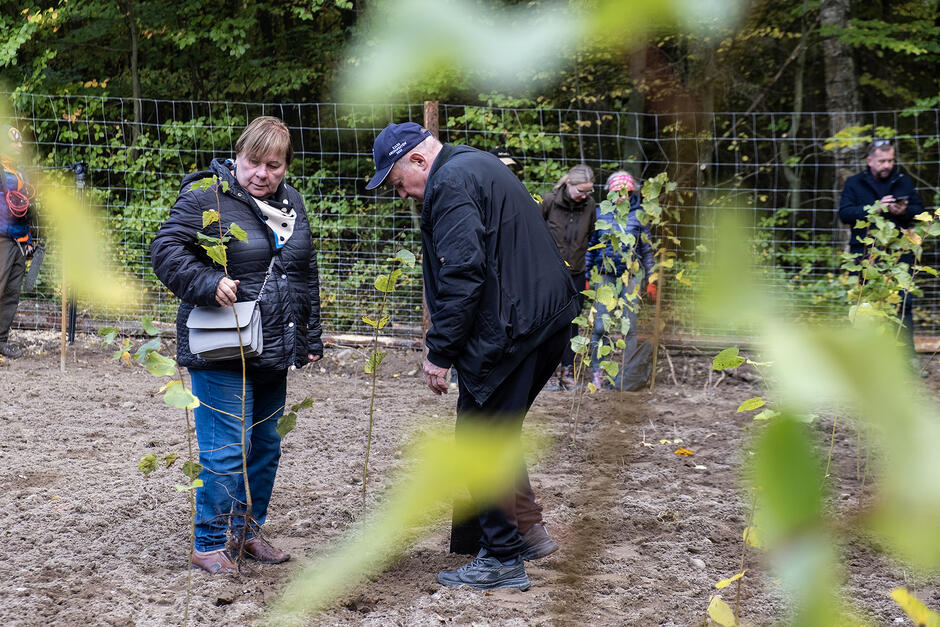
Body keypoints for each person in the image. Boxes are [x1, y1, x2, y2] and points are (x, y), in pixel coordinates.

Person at [365, 122, 579, 591]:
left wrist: (439, 352)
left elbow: (463, 272)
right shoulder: (476, 163)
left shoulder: (450, 182)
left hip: (513, 327)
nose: (402, 195)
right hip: (542, 319)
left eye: (399, 183)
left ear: (417, 160)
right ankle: (527, 531)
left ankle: (502, 558)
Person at [151, 116, 323, 575]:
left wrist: (310, 336)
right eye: (253, 162)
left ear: (286, 166)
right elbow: (165, 250)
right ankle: (208, 543)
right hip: (221, 348)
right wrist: (207, 282)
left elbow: (304, 271)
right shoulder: (205, 197)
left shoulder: (292, 203)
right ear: (237, 156)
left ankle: (246, 532)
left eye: (274, 165)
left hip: (274, 348)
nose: (262, 174)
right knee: (227, 449)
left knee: (265, 446)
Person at [838, 138, 923, 354]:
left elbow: (920, 211)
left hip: (898, 253)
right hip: (864, 252)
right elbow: (845, 214)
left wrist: (904, 211)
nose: (887, 165)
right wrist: (874, 208)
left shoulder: (903, 181)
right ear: (870, 161)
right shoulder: (854, 183)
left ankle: (906, 358)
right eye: (882, 161)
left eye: (890, 160)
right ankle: (863, 356)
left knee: (903, 303)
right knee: (863, 304)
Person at [584, 171, 657, 390]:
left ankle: (627, 373)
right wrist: (586, 275)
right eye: (618, 192)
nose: (622, 196)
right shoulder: (600, 213)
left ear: (632, 193)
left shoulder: (639, 215)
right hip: (605, 275)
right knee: (600, 325)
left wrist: (652, 279)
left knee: (629, 327)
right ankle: (597, 371)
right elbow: (591, 246)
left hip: (631, 277)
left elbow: (647, 250)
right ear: (610, 192)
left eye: (626, 192)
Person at [539, 164, 595, 388]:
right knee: (547, 321)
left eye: (589, 191)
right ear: (569, 184)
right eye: (581, 191)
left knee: (573, 322)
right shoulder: (548, 201)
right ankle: (545, 373)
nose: (585, 195)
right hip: (549, 273)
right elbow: (533, 232)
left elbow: (590, 234)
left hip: (577, 273)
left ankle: (567, 370)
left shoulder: (590, 205)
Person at [0, 125, 35, 360]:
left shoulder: (21, 173)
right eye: (15, 142)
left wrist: (29, 240)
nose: (20, 146)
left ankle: (1, 340)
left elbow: (25, 211)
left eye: (21, 142)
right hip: (2, 240)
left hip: (19, 242)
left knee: (11, 293)